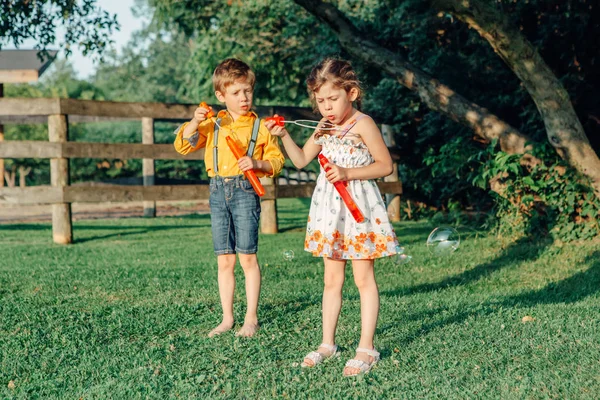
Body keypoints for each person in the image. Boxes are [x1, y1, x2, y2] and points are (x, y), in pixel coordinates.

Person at [265, 57, 400, 376]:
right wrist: (282, 136)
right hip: (330, 212)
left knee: (363, 279)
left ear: (351, 93)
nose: (326, 107)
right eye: (320, 100)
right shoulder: (323, 126)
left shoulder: (363, 123)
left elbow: (385, 166)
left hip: (358, 210)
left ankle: (366, 347)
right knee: (331, 280)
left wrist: (347, 172)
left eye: (332, 99)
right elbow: (299, 161)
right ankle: (328, 343)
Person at [174, 58, 285, 338]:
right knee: (225, 260)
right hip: (217, 191)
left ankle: (251, 318)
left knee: (248, 258)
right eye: (235, 93)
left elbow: (277, 160)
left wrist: (257, 165)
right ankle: (226, 319)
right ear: (220, 96)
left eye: (247, 91)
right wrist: (193, 122)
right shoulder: (213, 124)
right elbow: (183, 146)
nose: (243, 98)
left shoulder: (259, 126)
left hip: (245, 192)